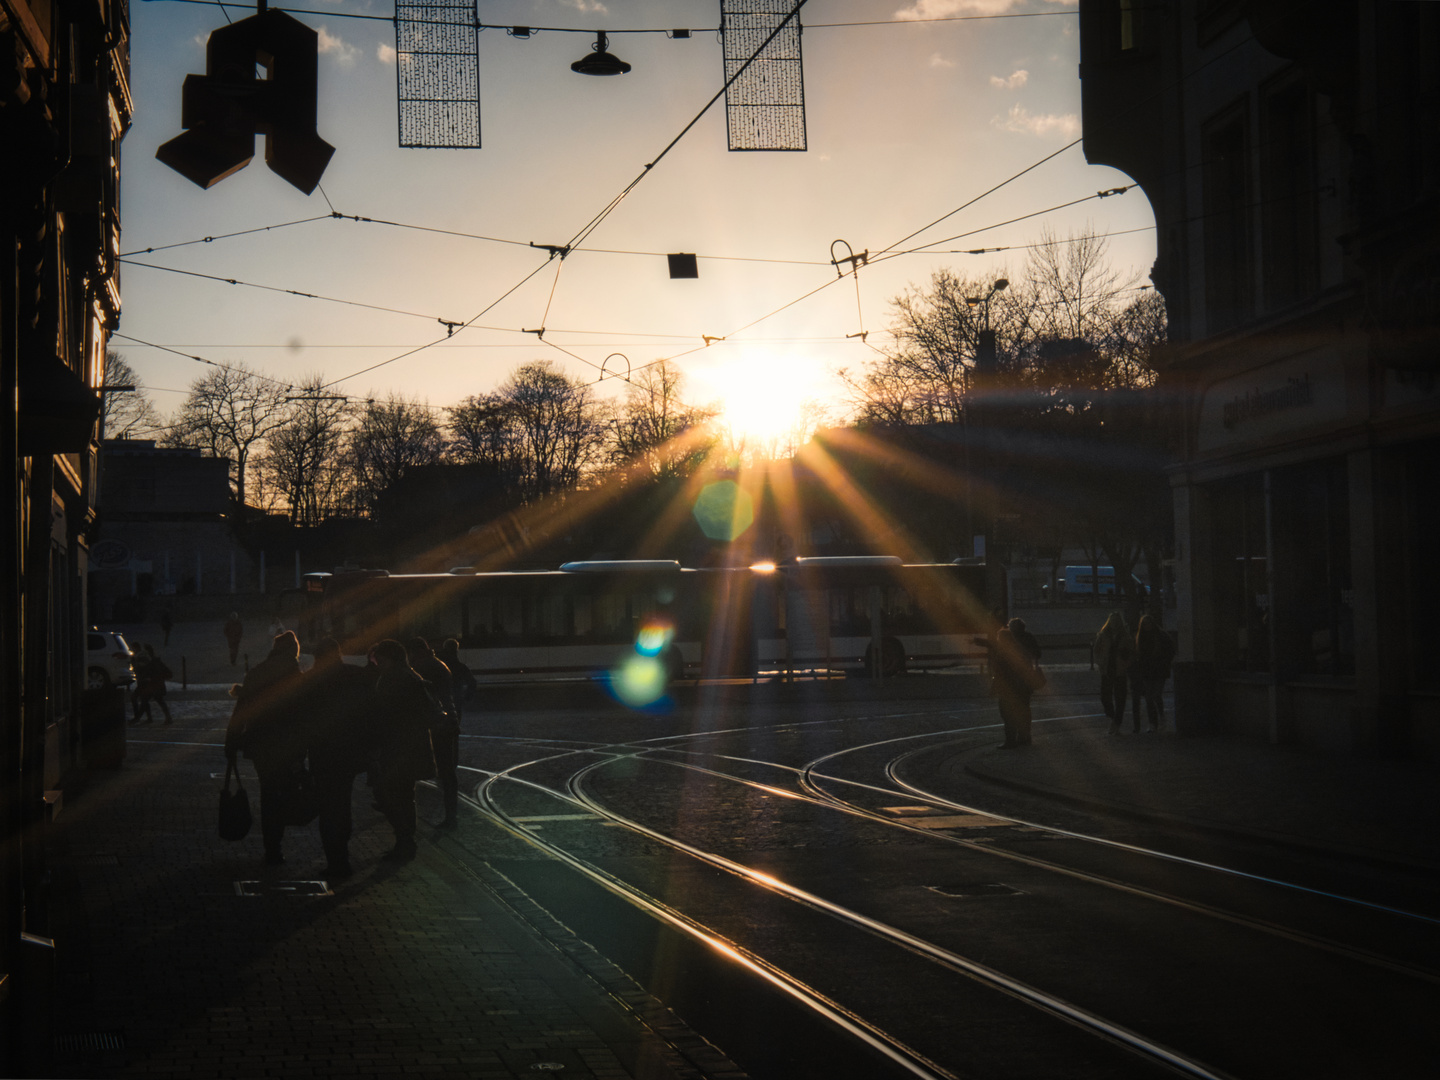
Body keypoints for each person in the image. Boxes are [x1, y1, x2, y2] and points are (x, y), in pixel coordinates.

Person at [225, 631, 307, 864]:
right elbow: (305, 716)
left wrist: (230, 742)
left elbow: (241, 712)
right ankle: (275, 841)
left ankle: (272, 846)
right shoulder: (295, 675)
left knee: (268, 792)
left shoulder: (257, 672)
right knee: (282, 792)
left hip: (261, 743)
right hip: (288, 744)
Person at [304, 638, 376, 880]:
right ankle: (342, 857)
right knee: (343, 803)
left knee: (328, 808)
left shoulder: (310, 680)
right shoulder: (355, 675)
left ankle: (335, 859)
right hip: (349, 753)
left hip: (323, 753)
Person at [369, 639, 441, 862]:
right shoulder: (410, 676)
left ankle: (405, 840)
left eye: (379, 660)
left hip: (398, 749)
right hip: (409, 748)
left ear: (390, 659)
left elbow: (385, 716)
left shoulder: (394, 680)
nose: (377, 664)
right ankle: (405, 841)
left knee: (392, 796)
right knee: (403, 796)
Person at [408, 637, 458, 830]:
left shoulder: (425, 668)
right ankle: (450, 816)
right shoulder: (437, 664)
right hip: (447, 721)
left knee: (445, 772)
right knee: (447, 772)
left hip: (439, 723)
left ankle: (450, 818)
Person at [992, 619, 1042, 748]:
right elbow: (1037, 654)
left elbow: (1001, 673)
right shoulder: (1026, 640)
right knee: (1024, 710)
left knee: (1008, 713)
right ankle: (1024, 736)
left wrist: (995, 687)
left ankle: (1011, 740)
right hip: (1024, 684)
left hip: (1010, 687)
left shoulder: (1006, 651)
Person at [1131, 614, 1176, 733]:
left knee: (1154, 695)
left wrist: (1164, 663)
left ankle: (1157, 720)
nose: (1147, 626)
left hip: (1157, 670)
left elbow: (1170, 651)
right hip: (1149, 670)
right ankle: (1155, 722)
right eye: (1145, 624)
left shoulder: (1156, 636)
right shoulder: (1148, 637)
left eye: (1148, 623)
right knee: (1150, 697)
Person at [1094, 612, 1137, 734]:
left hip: (1119, 670)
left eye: (1116, 621)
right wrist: (1100, 663)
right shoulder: (1103, 635)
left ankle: (1116, 723)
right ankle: (1113, 717)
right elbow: (1096, 650)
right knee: (1105, 697)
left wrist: (1125, 665)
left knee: (1120, 698)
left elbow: (1131, 653)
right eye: (1112, 621)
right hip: (1107, 669)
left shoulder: (1125, 636)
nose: (1114, 623)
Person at [139, 643, 173, 725]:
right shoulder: (154, 660)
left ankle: (149, 718)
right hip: (155, 684)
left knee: (148, 699)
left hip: (155, 684)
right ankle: (167, 718)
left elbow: (154, 672)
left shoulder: (153, 661)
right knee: (155, 700)